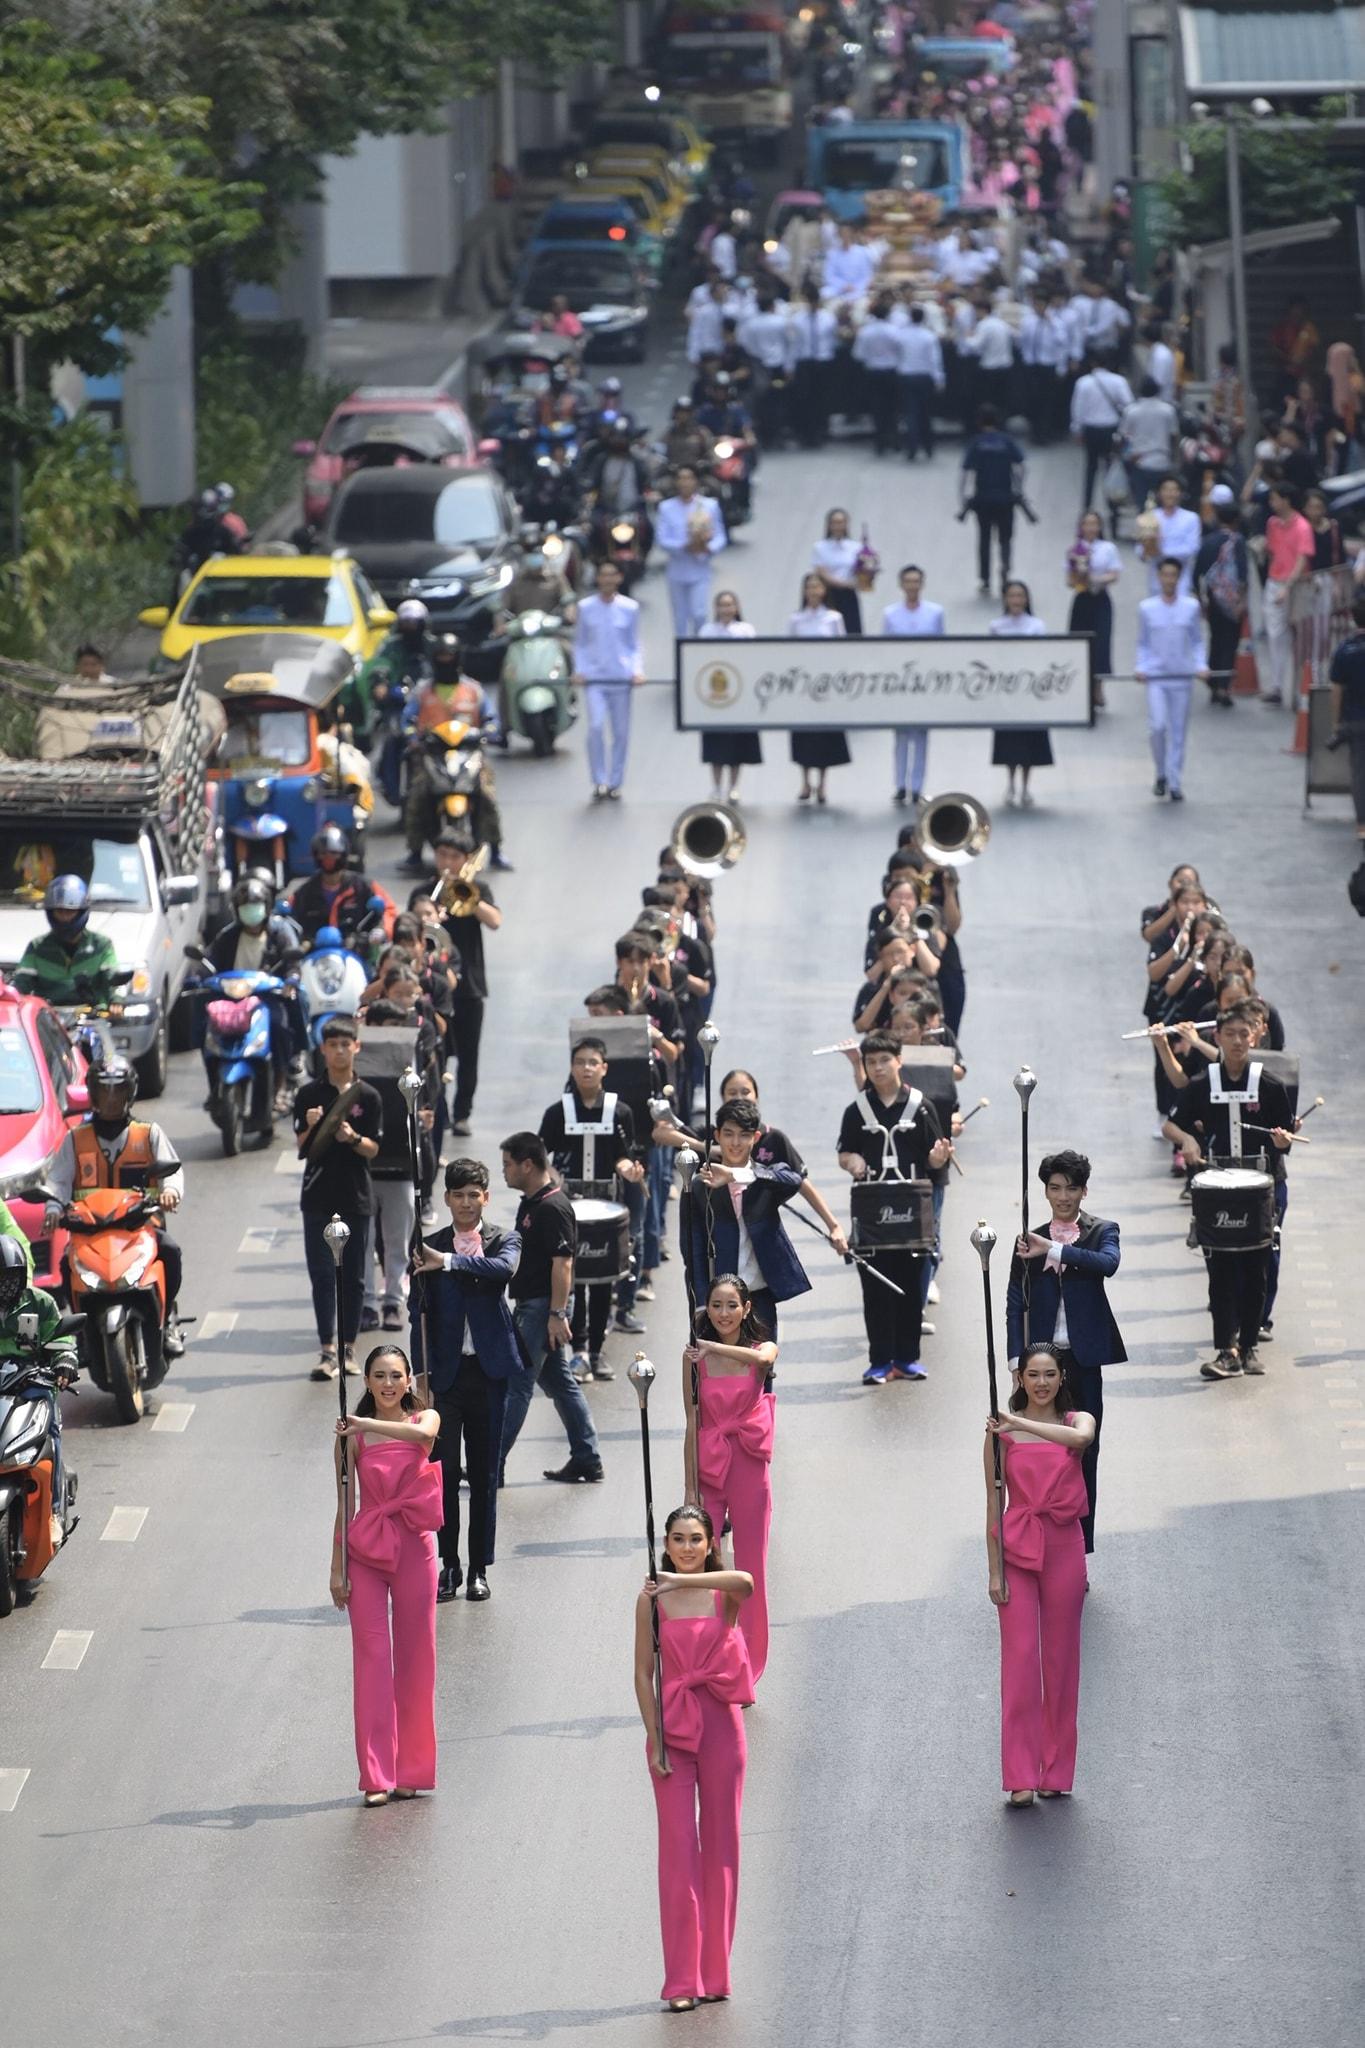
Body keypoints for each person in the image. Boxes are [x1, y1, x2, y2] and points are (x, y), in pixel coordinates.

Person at [635, 1502, 754, 2013]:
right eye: (677, 1539)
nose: (686, 1548)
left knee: (721, 1847)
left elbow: (747, 1581)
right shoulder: (650, 1601)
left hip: (723, 1730)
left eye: (695, 1540)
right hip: (673, 1730)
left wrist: (676, 1580)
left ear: (710, 1546)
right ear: (665, 1544)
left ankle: (715, 1972)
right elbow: (643, 1673)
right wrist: (655, 1736)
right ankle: (682, 1978)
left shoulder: (721, 1592)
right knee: (678, 1851)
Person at [409, 1157, 526, 1602]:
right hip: (445, 1376)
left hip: (490, 1372)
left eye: (472, 1195)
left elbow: (503, 1271)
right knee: (442, 1474)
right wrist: (420, 1377)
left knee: (483, 1474)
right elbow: (416, 1310)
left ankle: (479, 1568)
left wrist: (452, 1263)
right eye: (456, 1195)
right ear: (446, 1199)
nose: (465, 1203)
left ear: (485, 1198)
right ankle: (449, 1565)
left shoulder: (503, 1240)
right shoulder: (427, 1245)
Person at [1157, 1004, 1294, 1379]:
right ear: (1216, 1037)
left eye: (1243, 1034)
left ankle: (1248, 1346)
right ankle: (1226, 1349)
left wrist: (1282, 1140)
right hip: (1215, 1190)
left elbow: (1285, 1142)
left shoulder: (1270, 1086)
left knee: (1256, 1268)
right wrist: (1187, 1140)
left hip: (1259, 1192)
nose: (1237, 1041)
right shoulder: (1204, 1084)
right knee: (1219, 1271)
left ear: (1256, 1037)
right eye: (1229, 1034)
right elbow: (1172, 1126)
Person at [330, 1344, 442, 1805]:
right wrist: (336, 1567)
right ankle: (375, 1775)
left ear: (410, 1379)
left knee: (417, 1659)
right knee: (372, 1661)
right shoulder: (349, 1439)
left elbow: (420, 1439)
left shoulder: (424, 1420)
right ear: (367, 1382)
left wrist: (365, 1423)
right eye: (379, 1376)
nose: (389, 1384)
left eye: (397, 1375)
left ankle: (412, 1769)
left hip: (415, 1547)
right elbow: (344, 1504)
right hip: (367, 1549)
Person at [986, 1343, 1095, 1806]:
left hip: (1065, 1546)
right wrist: (994, 1572)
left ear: (1061, 1378)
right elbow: (993, 1507)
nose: (1042, 1383)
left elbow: (1081, 1443)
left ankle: (1056, 1770)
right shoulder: (998, 1438)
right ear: (1020, 1380)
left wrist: (1018, 1421)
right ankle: (1021, 1775)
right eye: (1033, 1375)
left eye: (1050, 1374)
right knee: (1021, 1659)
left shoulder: (1076, 1421)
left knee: (1061, 1660)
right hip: (1017, 1547)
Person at [1005, 1152, 1124, 1555]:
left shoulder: (1102, 1230)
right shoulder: (1028, 1240)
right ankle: (1033, 1541)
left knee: (1083, 1450)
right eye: (1055, 1188)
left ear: (1084, 1190)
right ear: (1045, 1192)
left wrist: (1053, 1251)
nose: (1063, 1196)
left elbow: (1107, 1264)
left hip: (1083, 1362)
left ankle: (1079, 1549)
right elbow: (1014, 1303)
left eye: (1072, 1188)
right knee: (1035, 1451)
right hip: (1040, 1363)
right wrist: (1014, 1360)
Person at [45, 1054, 186, 1357]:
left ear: (130, 1093)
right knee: (65, 1267)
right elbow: (57, 1181)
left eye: (117, 1090)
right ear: (93, 1094)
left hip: (140, 1228)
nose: (110, 1099)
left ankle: (169, 1320)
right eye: (103, 1091)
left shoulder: (148, 1134)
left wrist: (171, 1192)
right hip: (89, 1231)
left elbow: (173, 1173)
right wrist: (54, 1209)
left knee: (170, 1252)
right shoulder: (75, 1139)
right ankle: (82, 1333)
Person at [837, 1030, 951, 1385]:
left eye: (885, 1060)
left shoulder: (922, 1105)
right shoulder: (856, 1111)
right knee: (875, 1287)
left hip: (912, 1209)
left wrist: (937, 1157)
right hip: (872, 1209)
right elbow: (844, 1152)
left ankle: (907, 1358)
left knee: (912, 1286)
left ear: (899, 1060)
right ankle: (880, 1361)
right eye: (871, 1062)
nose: (878, 1067)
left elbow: (937, 1160)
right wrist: (851, 1161)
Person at [681, 1099, 847, 1336]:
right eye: (728, 1134)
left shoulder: (765, 1177)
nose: (735, 1143)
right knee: (716, 1370)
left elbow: (794, 1180)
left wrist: (736, 1174)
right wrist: (699, 1305)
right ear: (717, 1136)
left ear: (756, 1138)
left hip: (759, 1294)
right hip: (717, 1300)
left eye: (744, 1135)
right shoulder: (699, 1185)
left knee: (762, 1367)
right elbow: (693, 1250)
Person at [682, 1275, 778, 1683]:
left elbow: (763, 1362)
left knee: (751, 1564)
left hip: (749, 1464)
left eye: (731, 1305)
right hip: (710, 1461)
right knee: (704, 1567)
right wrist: (689, 1488)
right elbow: (691, 1422)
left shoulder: (760, 1347)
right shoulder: (693, 1359)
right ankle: (708, 1658)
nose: (723, 1314)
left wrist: (713, 1345)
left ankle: (749, 1664)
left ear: (746, 1309)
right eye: (715, 1306)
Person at [499, 1132, 603, 1484]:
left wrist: (557, 1315)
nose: (505, 1172)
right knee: (559, 1382)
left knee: (517, 1383)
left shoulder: (553, 1208)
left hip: (543, 1308)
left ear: (527, 1165)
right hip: (536, 1306)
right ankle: (587, 1457)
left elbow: (564, 1265)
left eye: (508, 1165)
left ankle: (491, 1462)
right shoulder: (532, 1202)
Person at [538, 1036, 642, 1381]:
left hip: (607, 1208)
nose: (586, 1068)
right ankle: (578, 1351)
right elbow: (541, 1157)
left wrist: (628, 1169)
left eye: (593, 1062)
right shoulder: (557, 1112)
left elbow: (625, 1153)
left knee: (602, 1280)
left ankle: (596, 1352)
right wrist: (553, 1179)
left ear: (604, 1068)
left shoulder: (620, 1111)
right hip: (568, 1208)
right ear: (572, 1067)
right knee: (573, 1279)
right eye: (580, 1062)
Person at [293, 1017, 382, 1380]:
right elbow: (301, 1147)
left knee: (354, 1276)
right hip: (317, 1195)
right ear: (324, 1050)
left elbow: (375, 1149)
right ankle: (327, 1348)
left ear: (356, 1047)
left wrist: (352, 1139)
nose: (340, 1050)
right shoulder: (308, 1095)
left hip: (356, 1195)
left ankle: (349, 1349)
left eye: (347, 1044)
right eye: (333, 1045)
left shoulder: (369, 1096)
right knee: (321, 1274)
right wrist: (314, 1126)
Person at [432, 831, 500, 1136]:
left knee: (468, 1055)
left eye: (454, 857)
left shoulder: (477, 889)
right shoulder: (426, 891)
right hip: (434, 985)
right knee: (437, 1053)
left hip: (469, 986)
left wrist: (467, 896)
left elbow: (495, 921)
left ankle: (462, 1114)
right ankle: (438, 1110)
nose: (447, 863)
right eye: (442, 855)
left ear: (465, 860)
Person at [1136, 556, 1209, 804]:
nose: (1169, 580)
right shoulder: (1147, 608)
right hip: (1157, 676)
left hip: (1181, 676)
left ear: (1179, 578)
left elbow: (1197, 641)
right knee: (1157, 727)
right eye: (1165, 575)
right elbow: (1143, 643)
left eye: (1173, 575)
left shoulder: (1190, 606)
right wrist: (1141, 667)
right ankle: (1160, 773)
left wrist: (1200, 665)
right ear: (1159, 577)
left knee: (1178, 731)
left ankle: (1175, 781)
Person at [571, 557, 643, 803]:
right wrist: (580, 670)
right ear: (598, 578)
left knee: (621, 733)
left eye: (613, 575)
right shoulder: (586, 607)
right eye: (604, 575)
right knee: (596, 727)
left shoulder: (630, 608)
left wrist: (636, 670)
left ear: (619, 579)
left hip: (620, 678)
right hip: (595, 679)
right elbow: (580, 643)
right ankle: (599, 780)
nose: (608, 580)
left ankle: (616, 781)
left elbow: (634, 645)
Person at [881, 564, 944, 807]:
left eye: (916, 581)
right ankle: (900, 784)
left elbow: (941, 646)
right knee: (900, 735)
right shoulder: (890, 614)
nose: (912, 586)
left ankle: (917, 786)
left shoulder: (935, 612)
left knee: (920, 735)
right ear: (901, 585)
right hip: (899, 680)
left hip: (924, 680)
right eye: (908, 581)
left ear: (922, 584)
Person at [986, 580, 1053, 808]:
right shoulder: (997, 626)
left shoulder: (1036, 625)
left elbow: (1042, 655)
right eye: (1012, 596)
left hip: (1029, 689)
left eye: (1020, 596)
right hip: (1007, 689)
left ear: (1026, 599)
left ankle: (1025, 786)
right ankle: (1010, 783)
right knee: (1009, 739)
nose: (1016, 600)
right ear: (1006, 599)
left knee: (1029, 739)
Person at [13, 876, 120, 1011]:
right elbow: (21, 984)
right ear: (51, 913)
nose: (64, 917)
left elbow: (112, 979)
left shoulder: (102, 946)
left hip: (91, 1018)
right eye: (60, 911)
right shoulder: (37, 947)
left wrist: (116, 1001)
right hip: (49, 1020)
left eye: (70, 911)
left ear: (81, 911)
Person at [696, 591, 760, 800]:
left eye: (730, 605)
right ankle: (716, 786)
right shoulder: (707, 631)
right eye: (722, 605)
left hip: (739, 694)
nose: (726, 609)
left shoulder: (746, 630)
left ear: (737, 608)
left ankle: (733, 786)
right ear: (716, 609)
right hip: (715, 693)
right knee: (715, 741)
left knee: (737, 742)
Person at [960, 404, 1027, 596]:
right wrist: (1019, 489)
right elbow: (1022, 466)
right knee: (1006, 537)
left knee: (984, 538)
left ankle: (985, 578)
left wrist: (963, 497)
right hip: (1005, 498)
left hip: (983, 498)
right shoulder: (1007, 441)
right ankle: (1005, 566)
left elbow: (966, 472)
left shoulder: (976, 443)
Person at [657, 466, 728, 639]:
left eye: (689, 478)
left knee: (699, 614)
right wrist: (683, 546)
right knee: (680, 619)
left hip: (700, 568)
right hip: (678, 569)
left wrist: (708, 547)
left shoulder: (708, 506)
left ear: (696, 481)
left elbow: (720, 536)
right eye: (681, 478)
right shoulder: (666, 508)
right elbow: (662, 539)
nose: (685, 482)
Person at [1259, 481, 1314, 705]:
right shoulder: (1273, 523)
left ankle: (1299, 685)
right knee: (1275, 635)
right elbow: (1272, 552)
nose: (1272, 503)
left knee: (1299, 638)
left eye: (1275, 498)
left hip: (1296, 585)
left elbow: (1302, 559)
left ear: (1286, 500)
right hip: (1275, 581)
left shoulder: (1302, 526)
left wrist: (1287, 586)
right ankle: (1277, 685)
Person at [1193, 495, 1249, 708]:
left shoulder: (1207, 542)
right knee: (1230, 642)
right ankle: (1224, 686)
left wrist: (1201, 598)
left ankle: (1213, 680)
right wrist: (1240, 601)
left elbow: (1196, 573)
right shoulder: (1237, 542)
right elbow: (1242, 575)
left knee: (1215, 639)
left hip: (1212, 599)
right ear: (1236, 521)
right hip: (1232, 601)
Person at [286, 828, 379, 947]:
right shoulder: (304, 893)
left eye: (334, 853)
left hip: (355, 955)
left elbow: (382, 915)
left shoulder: (362, 887)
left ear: (343, 854)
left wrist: (378, 932)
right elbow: (291, 921)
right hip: (316, 958)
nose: (328, 858)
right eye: (323, 854)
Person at [1066, 509, 1120, 710]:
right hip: (1082, 598)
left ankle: (1098, 687)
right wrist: (1080, 575)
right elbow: (1069, 581)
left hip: (1101, 598)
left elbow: (1114, 574)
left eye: (1094, 524)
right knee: (1079, 641)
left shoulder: (1107, 548)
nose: (1090, 528)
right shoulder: (1075, 549)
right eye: (1086, 524)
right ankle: (1081, 686)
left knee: (1102, 642)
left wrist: (1096, 579)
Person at [1069, 353, 1133, 518]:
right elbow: (1128, 405)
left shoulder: (1083, 383)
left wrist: (1077, 430)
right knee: (1111, 468)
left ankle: (1087, 507)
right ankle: (1113, 506)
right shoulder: (1119, 381)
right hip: (1111, 430)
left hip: (1091, 430)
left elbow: (1077, 408)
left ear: (1092, 364)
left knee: (1091, 468)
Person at [1329, 591, 1365, 843]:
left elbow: (1337, 690)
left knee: (1360, 774)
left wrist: (1336, 724)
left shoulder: (1345, 650)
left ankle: (1363, 824)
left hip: (1355, 721)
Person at [852, 295, 903, 456]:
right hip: (891, 371)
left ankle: (879, 442)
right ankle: (894, 439)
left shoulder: (865, 332)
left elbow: (858, 354)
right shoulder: (894, 331)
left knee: (877, 408)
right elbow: (901, 351)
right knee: (893, 407)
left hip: (873, 372)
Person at [790, 281, 839, 448]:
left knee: (822, 398)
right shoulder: (798, 320)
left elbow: (832, 340)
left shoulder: (828, 318)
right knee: (805, 399)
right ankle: (806, 432)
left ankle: (821, 431)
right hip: (805, 362)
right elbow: (794, 344)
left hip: (823, 361)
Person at [1137, 474, 1201, 597]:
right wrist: (1147, 548)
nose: (1169, 494)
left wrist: (1160, 550)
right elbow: (1140, 550)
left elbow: (1192, 548)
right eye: (1166, 490)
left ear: (1180, 493)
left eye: (1174, 490)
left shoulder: (1191, 518)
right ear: (1160, 493)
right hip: (1156, 581)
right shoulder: (1150, 517)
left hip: (1181, 581)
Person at [897, 304, 945, 462]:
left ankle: (911, 447)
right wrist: (939, 379)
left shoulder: (902, 335)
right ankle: (928, 447)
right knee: (925, 413)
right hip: (924, 377)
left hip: (907, 376)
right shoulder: (929, 336)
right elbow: (935, 360)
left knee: (911, 413)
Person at [810, 507, 863, 635]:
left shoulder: (855, 547)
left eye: (841, 523)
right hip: (829, 595)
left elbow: (860, 570)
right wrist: (843, 584)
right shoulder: (820, 547)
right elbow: (820, 571)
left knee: (852, 630)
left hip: (849, 594)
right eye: (834, 523)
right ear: (829, 525)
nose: (838, 526)